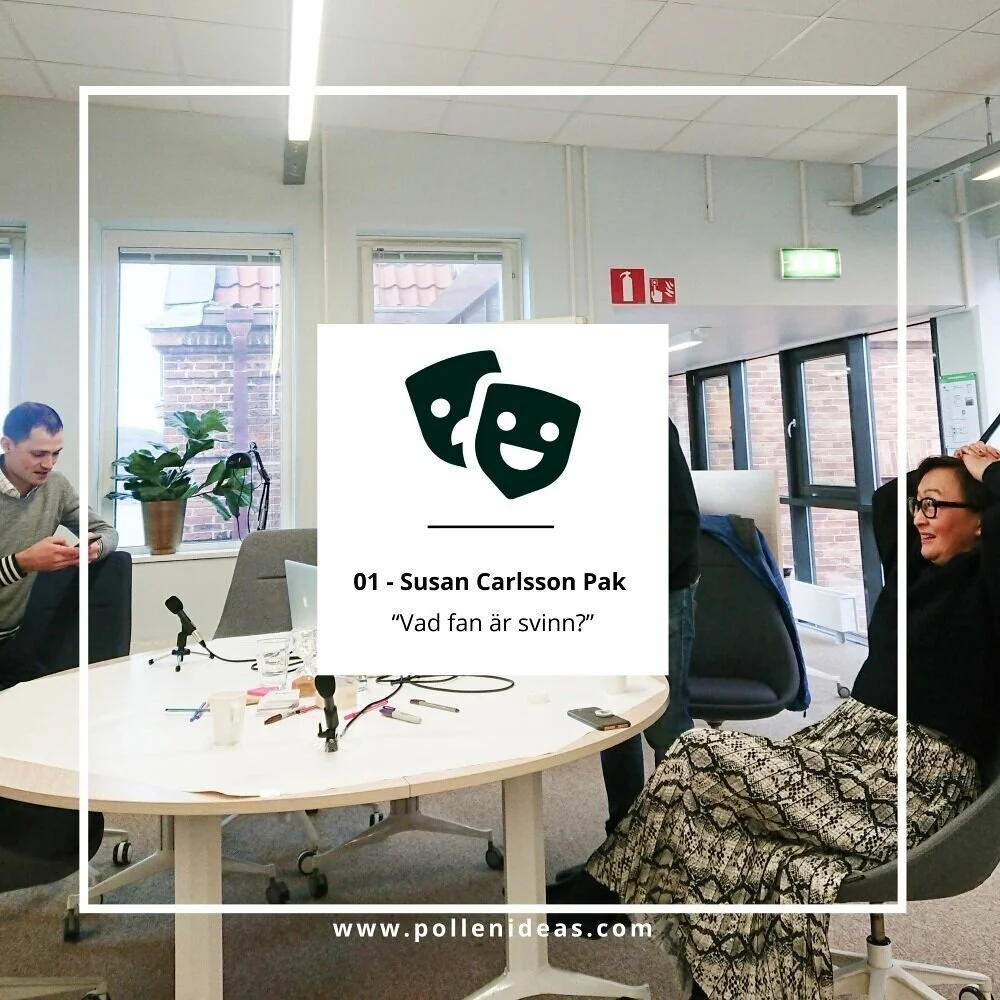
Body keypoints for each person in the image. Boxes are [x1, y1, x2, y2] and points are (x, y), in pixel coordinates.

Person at [548, 442, 1000, 1000]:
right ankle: (718, 986)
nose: (918, 517)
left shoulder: (988, 589)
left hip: (911, 782)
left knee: (698, 756)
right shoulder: (913, 569)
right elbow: (888, 501)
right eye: (919, 504)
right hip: (849, 753)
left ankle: (606, 885)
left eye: (935, 507)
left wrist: (990, 473)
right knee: (738, 840)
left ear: (983, 521)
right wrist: (947, 472)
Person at [596, 419, 701, 837]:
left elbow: (684, 521)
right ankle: (623, 837)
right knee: (614, 715)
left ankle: (672, 837)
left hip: (663, 590)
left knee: (666, 722)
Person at [0, 402, 118, 685]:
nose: (49, 464)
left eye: (56, 453)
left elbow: (107, 532)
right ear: (7, 445)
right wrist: (22, 563)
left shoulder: (56, 487)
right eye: (38, 454)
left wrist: (94, 549)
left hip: (18, 640)